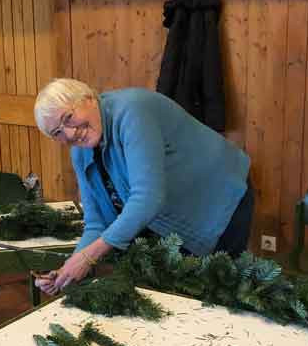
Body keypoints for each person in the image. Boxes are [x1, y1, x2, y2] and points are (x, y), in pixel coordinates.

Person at [32, 79, 253, 296]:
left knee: (217, 294)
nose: (70, 133)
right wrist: (68, 269)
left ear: (88, 98)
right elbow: (97, 221)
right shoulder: (79, 153)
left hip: (218, 195)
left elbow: (148, 198)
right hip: (168, 211)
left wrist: (89, 257)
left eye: (68, 118)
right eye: (57, 132)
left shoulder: (132, 111)